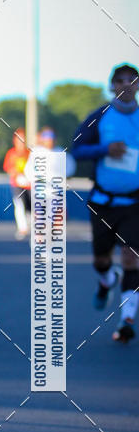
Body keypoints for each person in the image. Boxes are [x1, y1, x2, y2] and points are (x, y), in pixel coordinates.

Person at [70, 63, 139, 343]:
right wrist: (104, 149)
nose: (126, 85)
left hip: (134, 202)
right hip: (103, 202)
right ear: (112, 86)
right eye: (120, 80)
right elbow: (76, 148)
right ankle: (105, 280)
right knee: (101, 259)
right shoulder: (100, 117)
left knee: (131, 257)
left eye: (132, 80)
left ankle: (126, 321)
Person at [3, 128, 31, 238]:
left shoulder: (29, 153)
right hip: (17, 185)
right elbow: (8, 169)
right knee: (19, 205)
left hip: (29, 185)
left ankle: (33, 228)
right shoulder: (11, 153)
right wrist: (17, 174)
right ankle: (22, 228)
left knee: (31, 207)